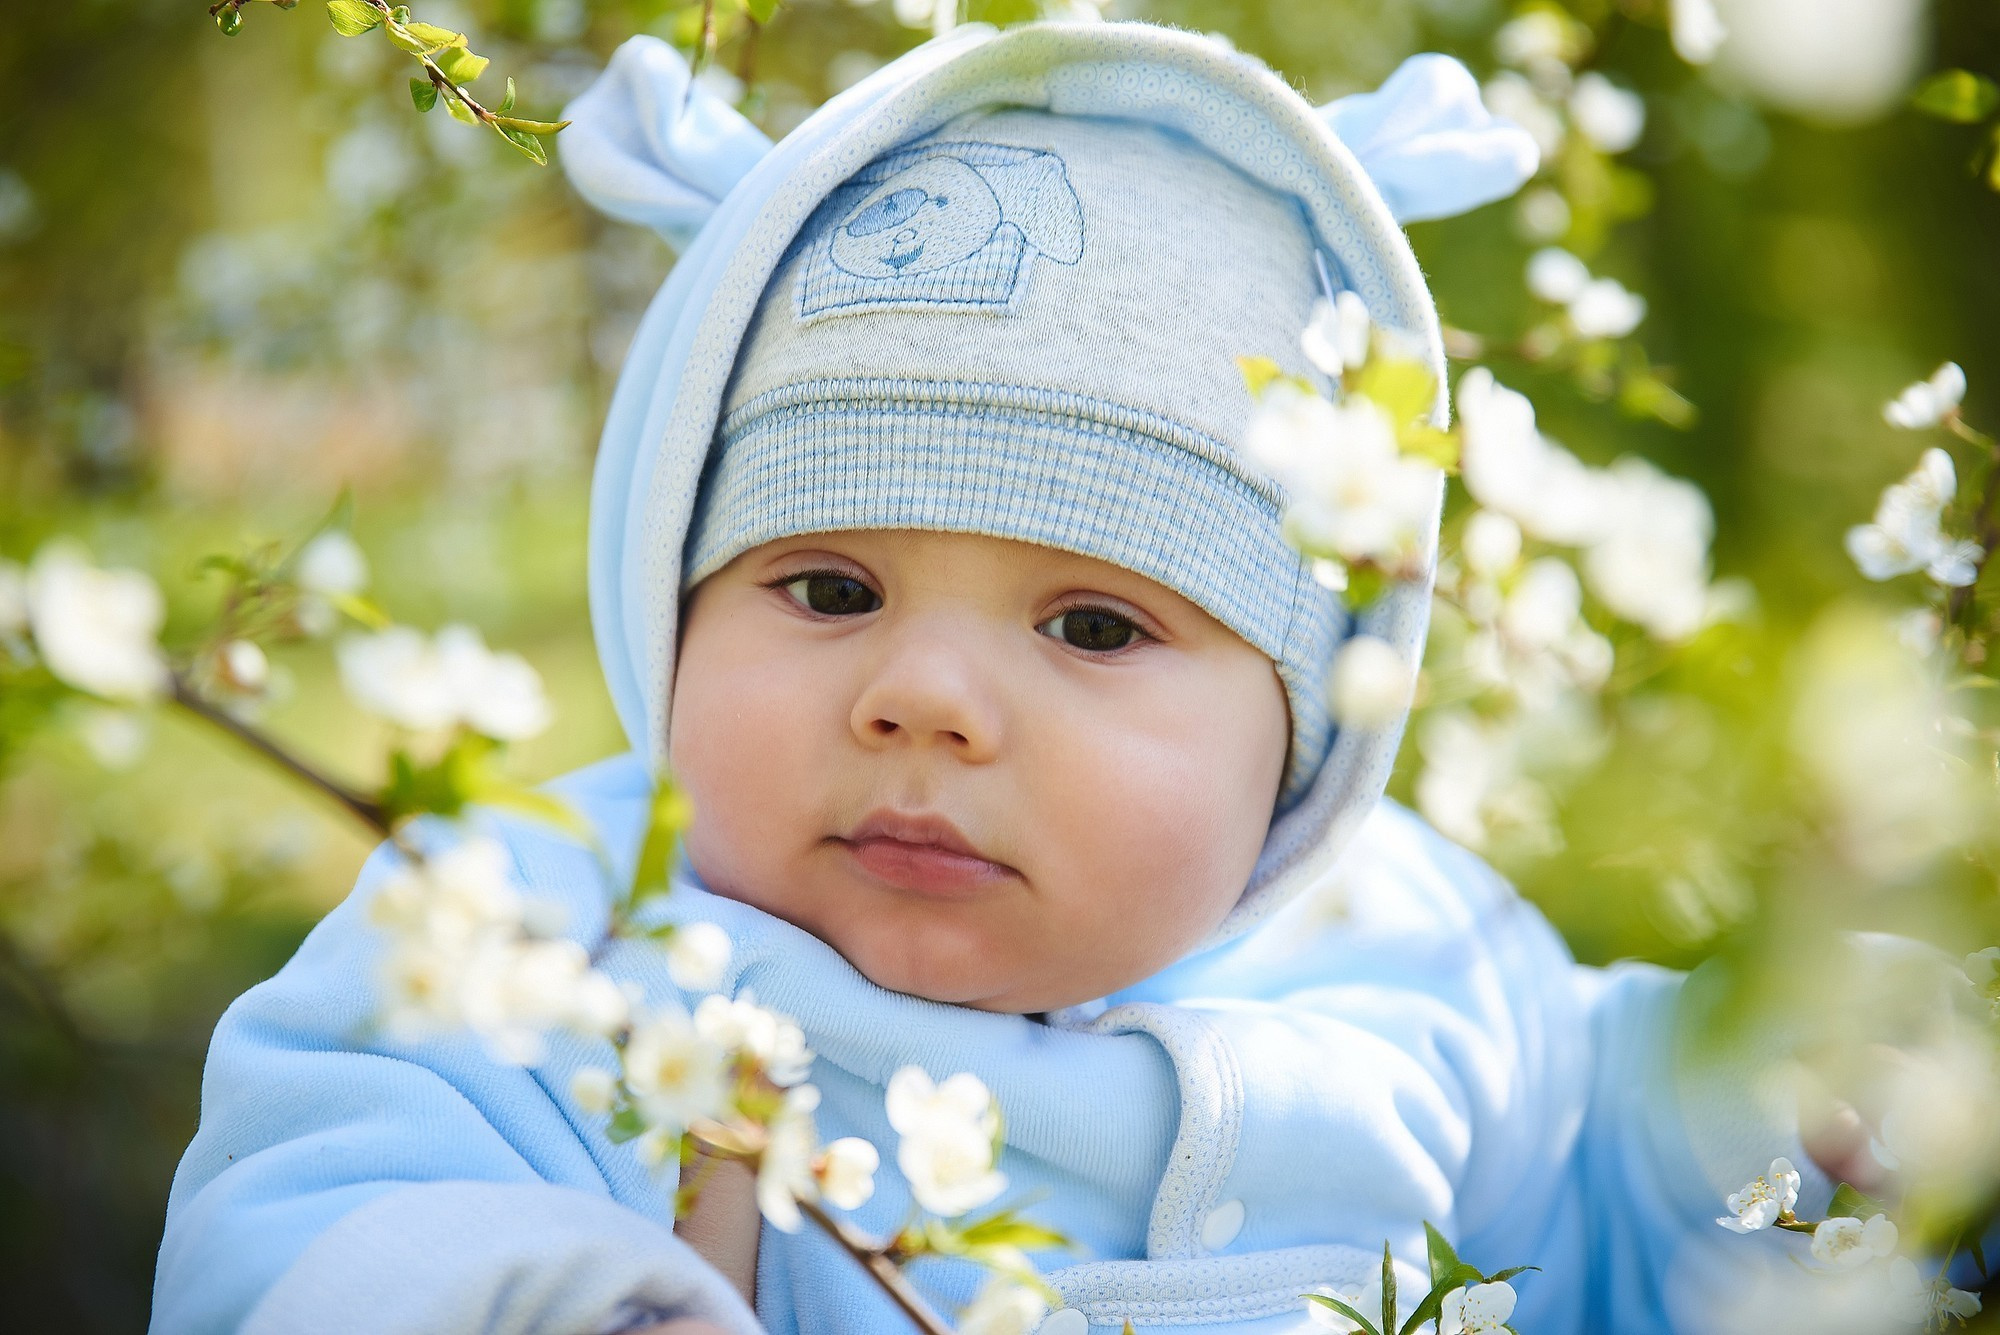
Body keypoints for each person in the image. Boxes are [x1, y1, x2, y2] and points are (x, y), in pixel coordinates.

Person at [150, 20, 1836, 1335]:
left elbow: (1616, 1176)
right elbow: (320, 1199)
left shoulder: (1427, 961)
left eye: (1096, 626)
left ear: (1308, 735)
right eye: (827, 586)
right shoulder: (543, 939)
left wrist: (1811, 1115)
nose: (923, 699)